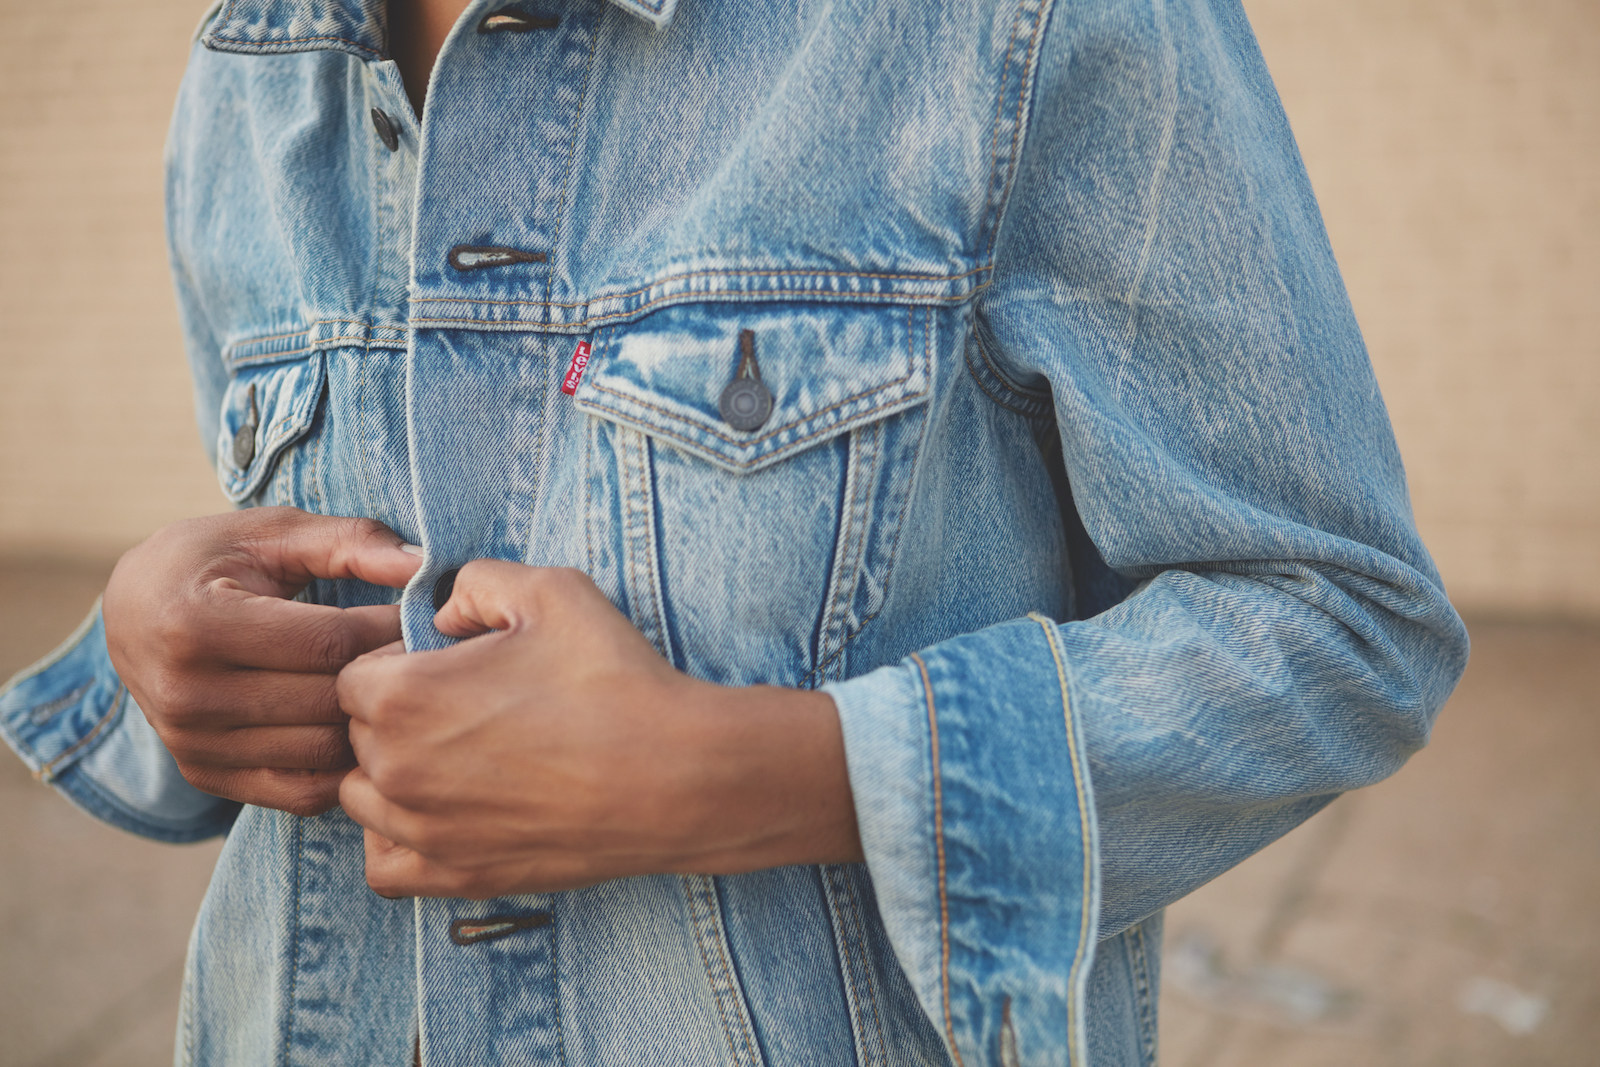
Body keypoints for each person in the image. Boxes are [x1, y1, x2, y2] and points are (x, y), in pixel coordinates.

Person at [0, 0, 1470, 1062]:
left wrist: (757, 775)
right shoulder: (250, 62)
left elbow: (1340, 622)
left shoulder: (1006, 27)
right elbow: (303, 548)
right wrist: (157, 648)